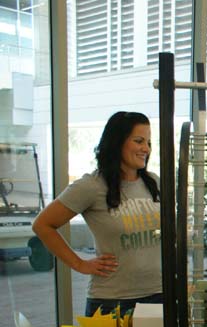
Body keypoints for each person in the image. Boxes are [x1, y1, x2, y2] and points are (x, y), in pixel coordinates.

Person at [33, 111, 162, 316]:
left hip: (159, 296)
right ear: (117, 142)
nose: (146, 148)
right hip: (112, 301)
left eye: (148, 142)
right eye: (139, 141)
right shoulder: (91, 186)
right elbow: (42, 225)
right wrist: (79, 264)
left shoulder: (154, 182)